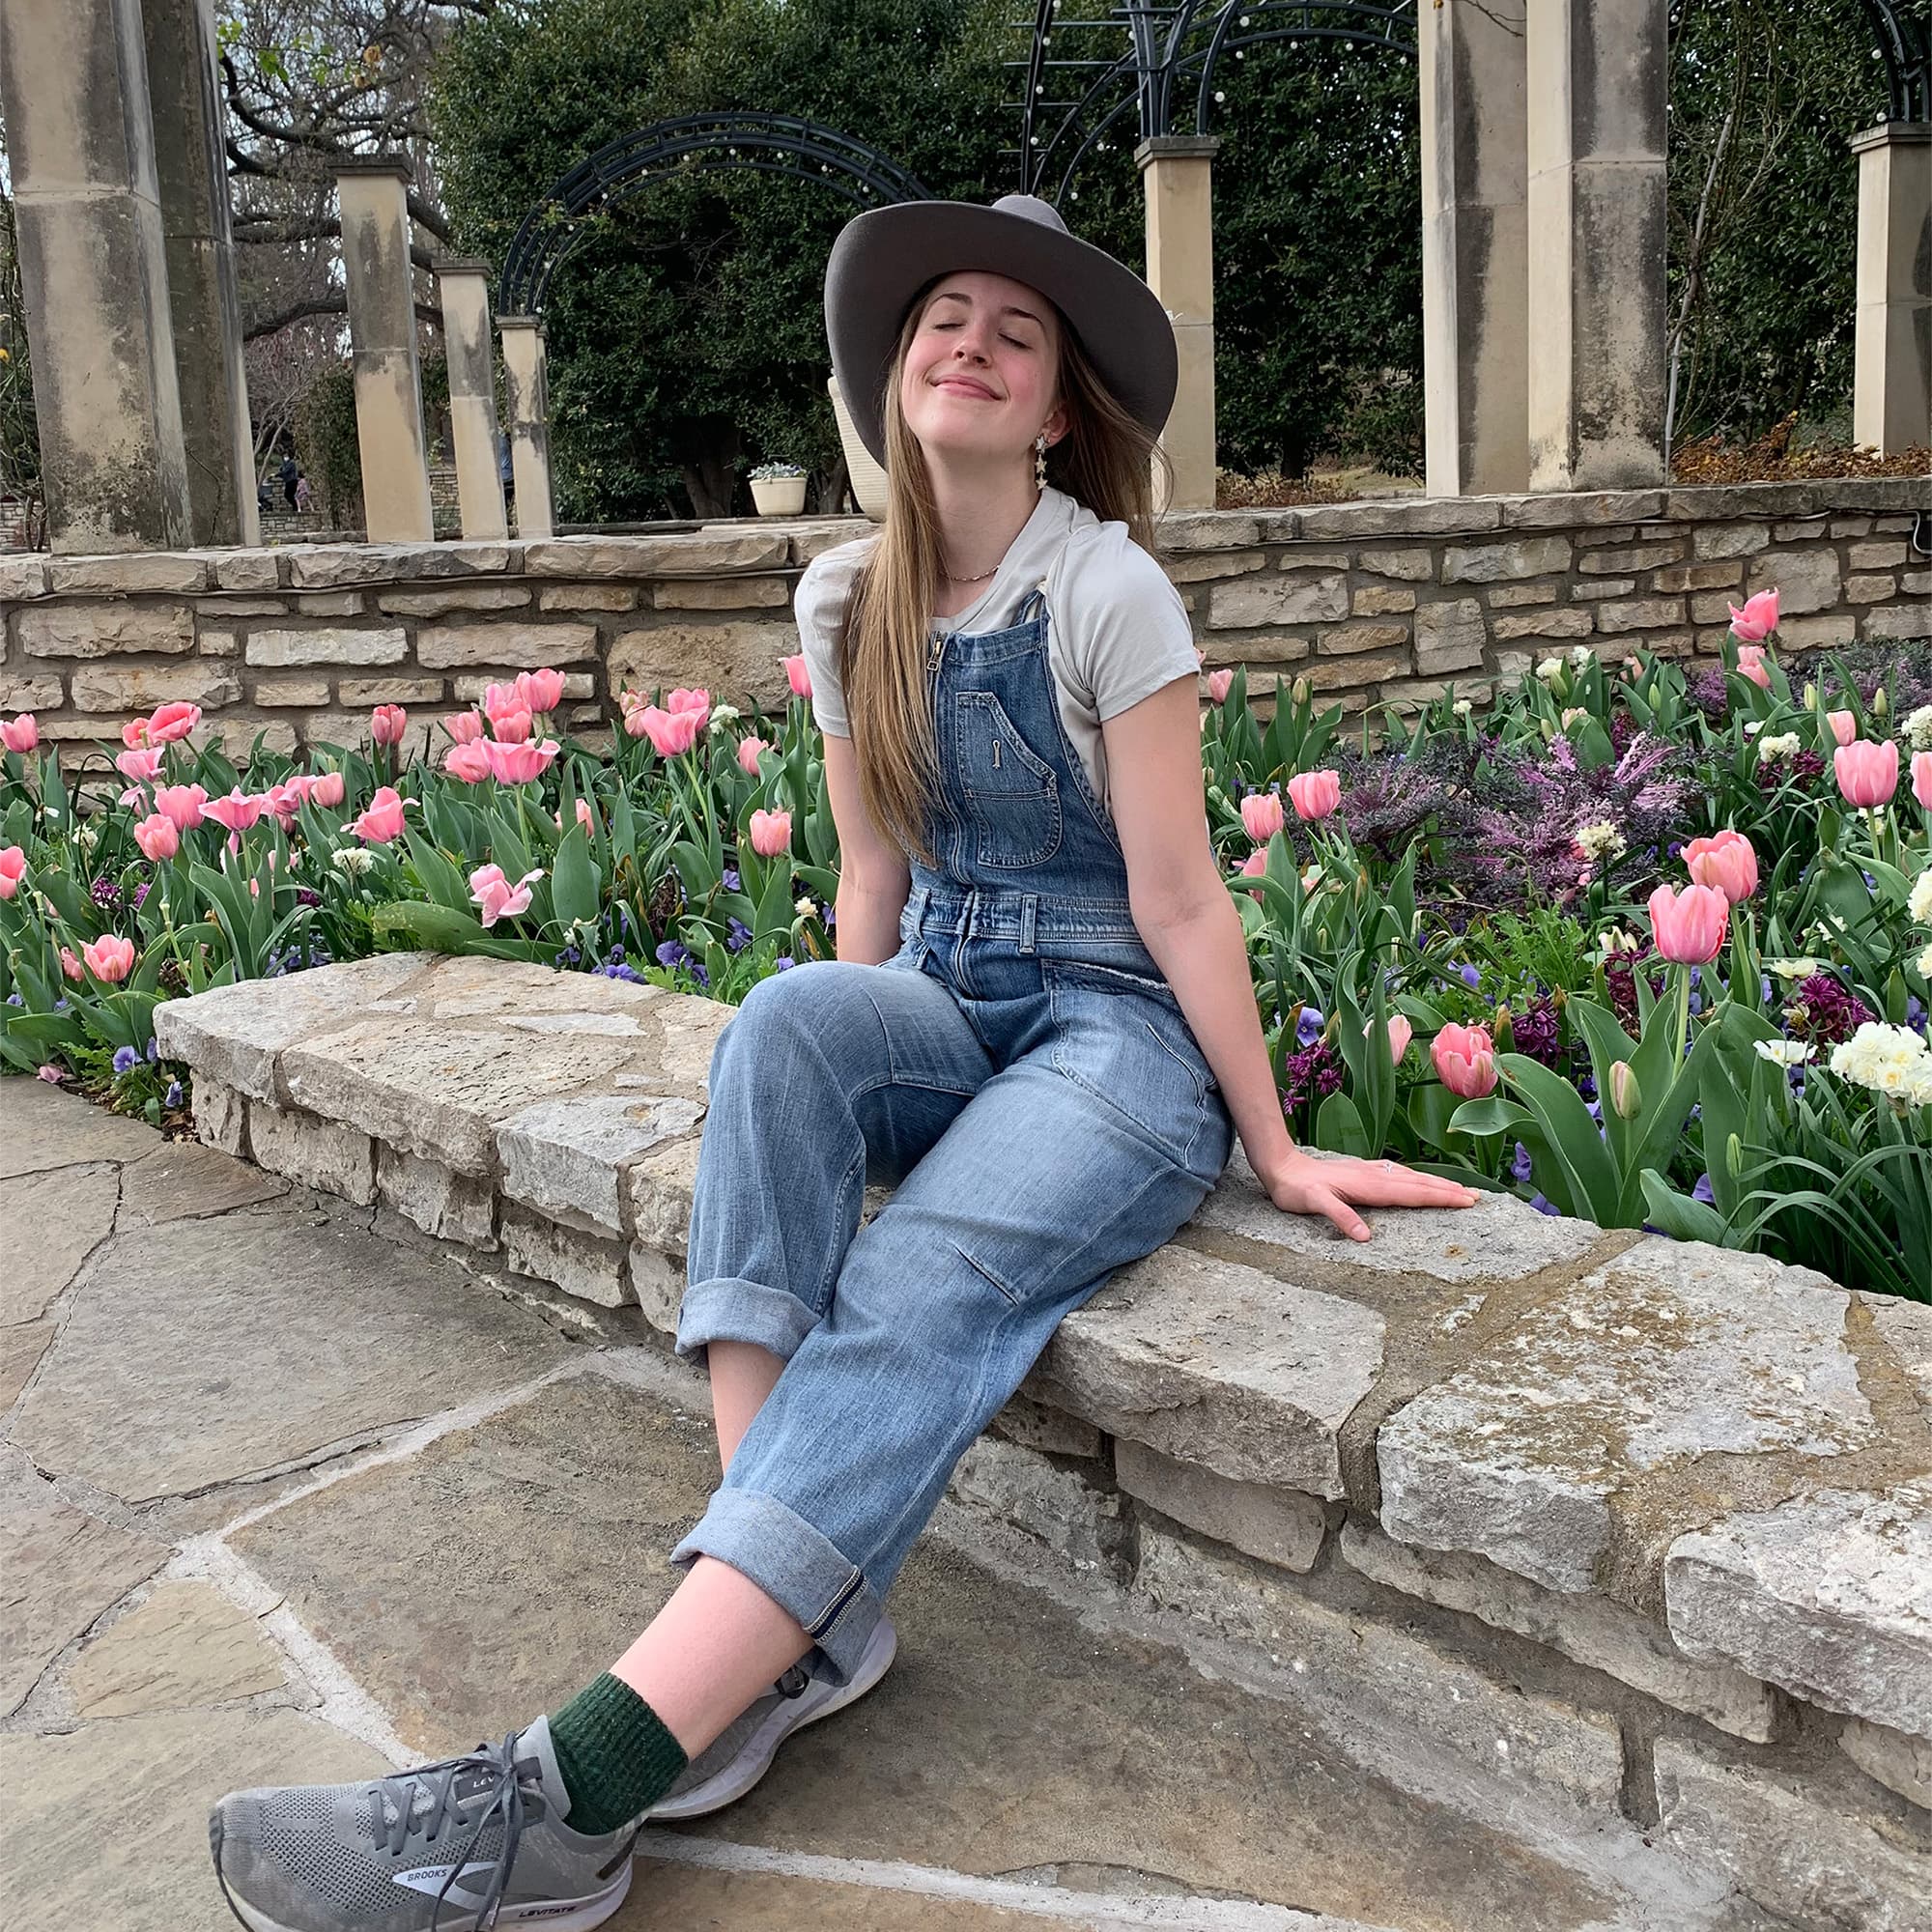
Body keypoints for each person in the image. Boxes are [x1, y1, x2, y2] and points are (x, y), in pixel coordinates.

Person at [207, 192, 1478, 1932]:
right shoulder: (843, 597)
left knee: (926, 1278)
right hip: (952, 996)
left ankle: (568, 1796)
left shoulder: (1106, 589)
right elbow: (871, 883)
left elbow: (1183, 901)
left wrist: (1269, 1144)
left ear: (1054, 411)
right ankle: (790, 1635)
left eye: (1015, 334)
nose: (970, 341)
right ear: (893, 373)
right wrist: (811, 1081)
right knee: (789, 1020)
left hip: (1117, 1037)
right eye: (943, 316)